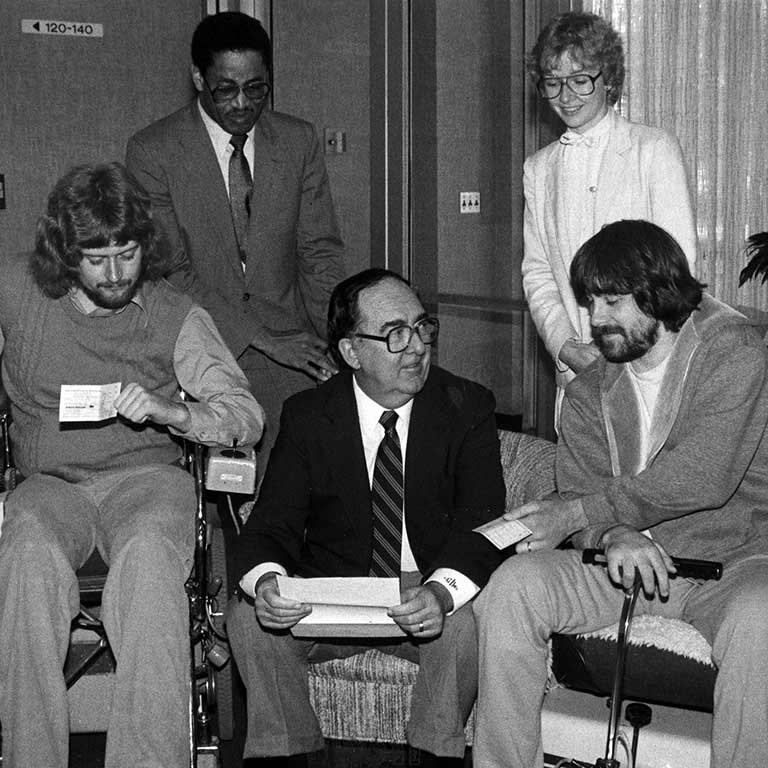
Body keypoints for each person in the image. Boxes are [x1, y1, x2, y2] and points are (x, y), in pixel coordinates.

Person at [473, 219, 768, 768]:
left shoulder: (735, 352)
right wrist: (611, 532)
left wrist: (585, 513)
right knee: (512, 586)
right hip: (620, 567)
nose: (595, 319)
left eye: (612, 300)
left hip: (732, 563)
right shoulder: (588, 391)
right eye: (589, 302)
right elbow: (580, 499)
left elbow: (704, 475)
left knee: (763, 618)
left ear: (659, 295)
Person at [0, 162, 264, 768]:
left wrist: (173, 411)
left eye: (128, 253)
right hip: (48, 484)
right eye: (97, 258)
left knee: (147, 561)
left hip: (148, 480)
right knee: (25, 556)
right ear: (65, 254)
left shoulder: (175, 314)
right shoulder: (18, 291)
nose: (117, 274)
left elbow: (245, 415)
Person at [227, 268, 507, 767]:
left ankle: (433, 756)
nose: (417, 347)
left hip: (425, 589)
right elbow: (271, 525)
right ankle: (286, 756)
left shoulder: (465, 406)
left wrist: (441, 592)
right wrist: (268, 585)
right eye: (395, 334)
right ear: (351, 351)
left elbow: (482, 525)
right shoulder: (309, 414)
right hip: (332, 593)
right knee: (250, 617)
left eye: (423, 328)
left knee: (464, 624)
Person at [126, 11, 345, 466]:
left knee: (304, 482)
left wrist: (341, 339)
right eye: (226, 88)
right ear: (198, 77)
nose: (243, 103)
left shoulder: (297, 140)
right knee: (221, 496)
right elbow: (173, 272)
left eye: (257, 88)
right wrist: (263, 339)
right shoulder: (153, 150)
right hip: (202, 341)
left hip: (292, 343)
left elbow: (317, 252)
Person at [522, 11, 697, 419]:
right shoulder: (538, 168)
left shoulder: (654, 149)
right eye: (553, 83)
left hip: (650, 368)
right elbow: (538, 273)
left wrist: (632, 349)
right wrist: (565, 347)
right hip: (576, 373)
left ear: (609, 79)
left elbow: (679, 268)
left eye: (580, 80)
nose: (566, 96)